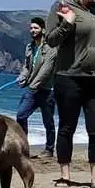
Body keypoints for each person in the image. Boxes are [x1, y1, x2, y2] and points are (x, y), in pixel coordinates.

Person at [45, 0, 95, 188]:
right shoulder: (62, 6)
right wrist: (67, 23)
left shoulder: (92, 12)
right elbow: (51, 39)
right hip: (70, 77)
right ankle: (65, 175)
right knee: (67, 127)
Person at [15, 17, 57, 157]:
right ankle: (23, 146)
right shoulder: (29, 47)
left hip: (47, 90)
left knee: (48, 121)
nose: (33, 30)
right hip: (32, 89)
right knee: (21, 115)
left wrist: (33, 85)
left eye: (36, 28)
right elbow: (27, 66)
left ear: (43, 30)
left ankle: (49, 149)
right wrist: (22, 76)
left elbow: (46, 70)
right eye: (31, 28)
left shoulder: (51, 48)